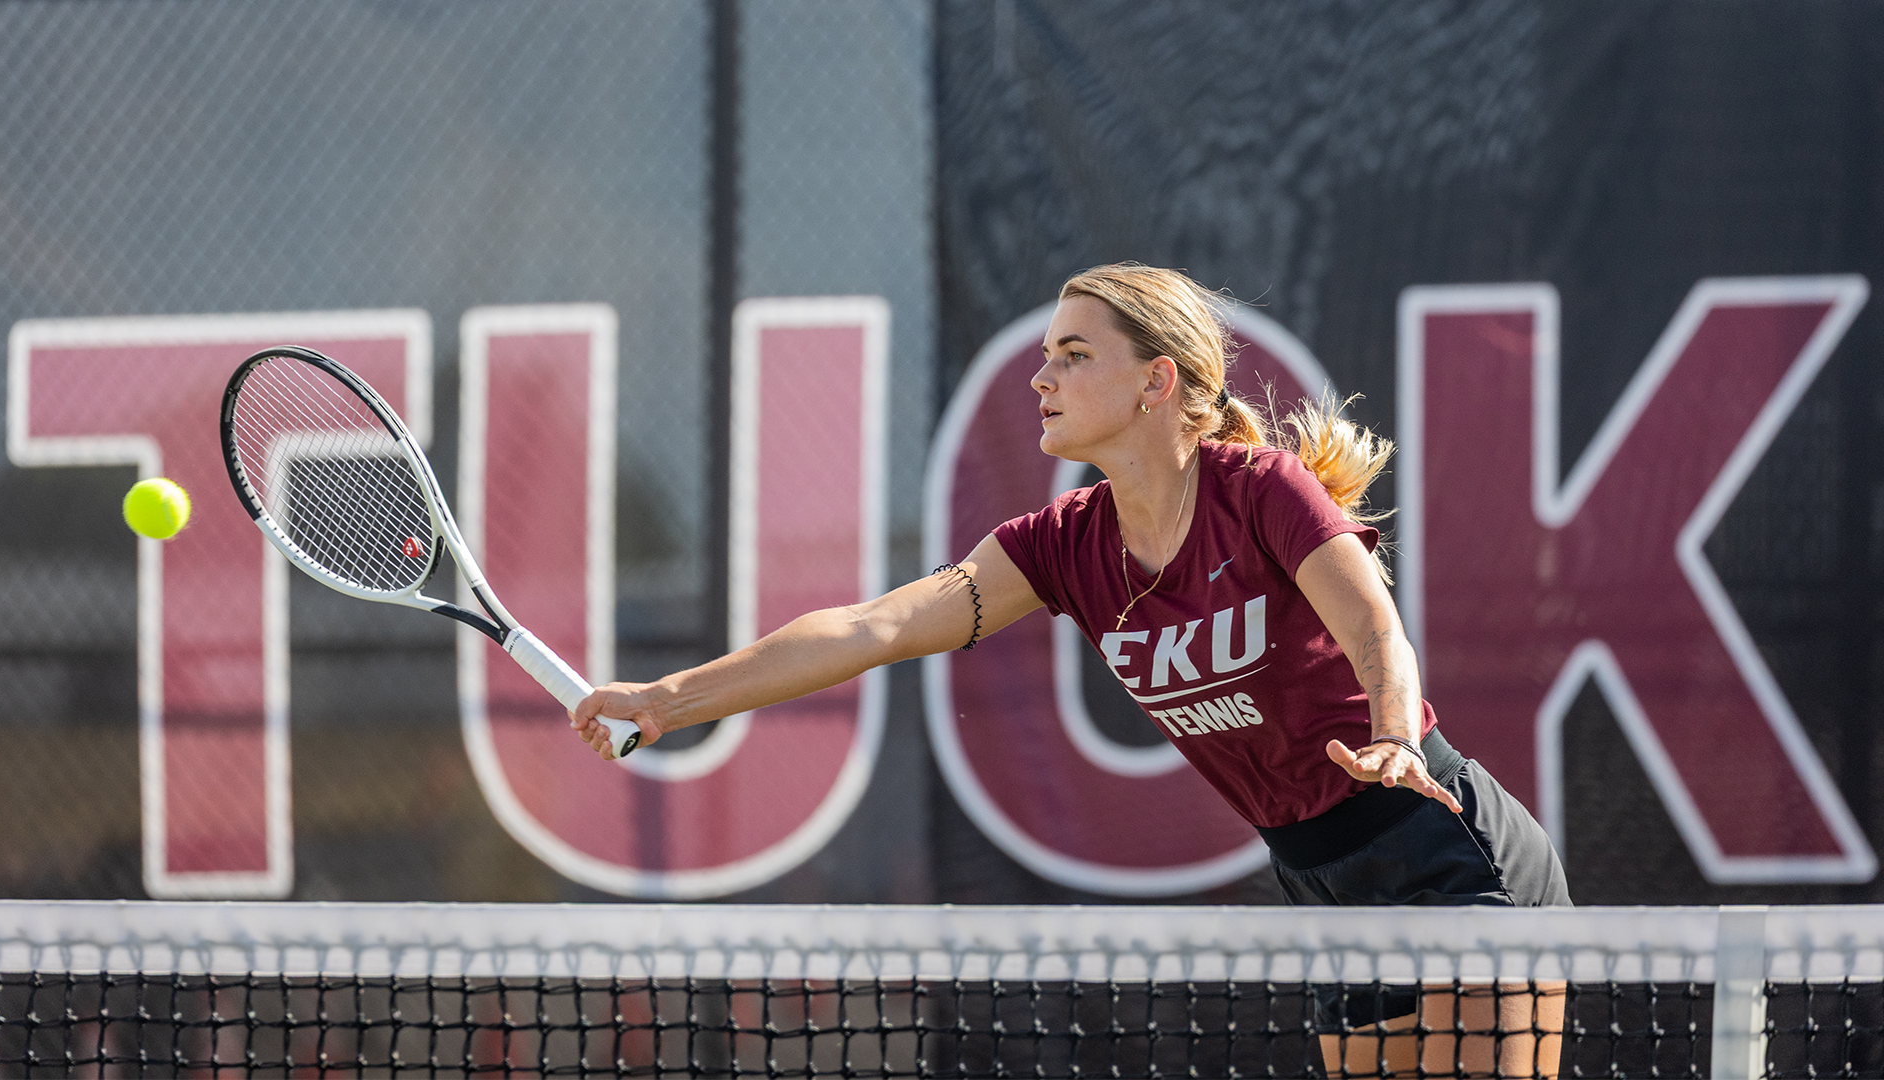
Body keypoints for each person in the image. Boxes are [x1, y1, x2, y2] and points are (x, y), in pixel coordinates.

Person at [572, 263, 1570, 1079]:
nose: (1041, 378)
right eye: (1046, 355)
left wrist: (1395, 730)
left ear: (1157, 380)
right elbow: (873, 627)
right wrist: (669, 699)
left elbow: (1376, 630)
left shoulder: (1261, 490)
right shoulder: (1059, 547)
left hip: (1439, 853)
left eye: (1074, 354)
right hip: (1316, 880)